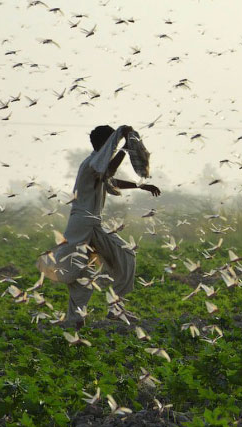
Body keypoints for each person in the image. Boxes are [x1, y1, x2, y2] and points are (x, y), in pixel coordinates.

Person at [38, 125, 160, 328]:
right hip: (83, 224)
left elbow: (111, 180)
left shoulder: (95, 164)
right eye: (112, 142)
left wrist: (140, 185)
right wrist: (124, 149)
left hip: (90, 222)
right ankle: (79, 317)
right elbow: (108, 172)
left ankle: (112, 309)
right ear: (106, 145)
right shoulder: (92, 164)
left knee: (117, 258)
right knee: (82, 271)